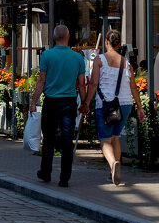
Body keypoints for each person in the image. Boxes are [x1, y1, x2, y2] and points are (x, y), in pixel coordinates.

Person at [29, 25, 87, 188]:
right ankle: (64, 177)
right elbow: (82, 84)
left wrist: (34, 101)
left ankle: (46, 171)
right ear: (69, 37)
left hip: (51, 101)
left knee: (48, 138)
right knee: (67, 139)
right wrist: (84, 103)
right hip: (69, 101)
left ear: (54, 38)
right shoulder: (78, 58)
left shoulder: (47, 55)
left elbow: (41, 80)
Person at [84, 30, 140, 186]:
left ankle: (113, 164)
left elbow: (94, 84)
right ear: (119, 44)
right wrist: (140, 108)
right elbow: (134, 87)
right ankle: (113, 171)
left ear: (106, 42)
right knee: (115, 137)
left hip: (106, 104)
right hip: (125, 103)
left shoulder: (100, 60)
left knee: (104, 139)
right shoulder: (126, 62)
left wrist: (87, 103)